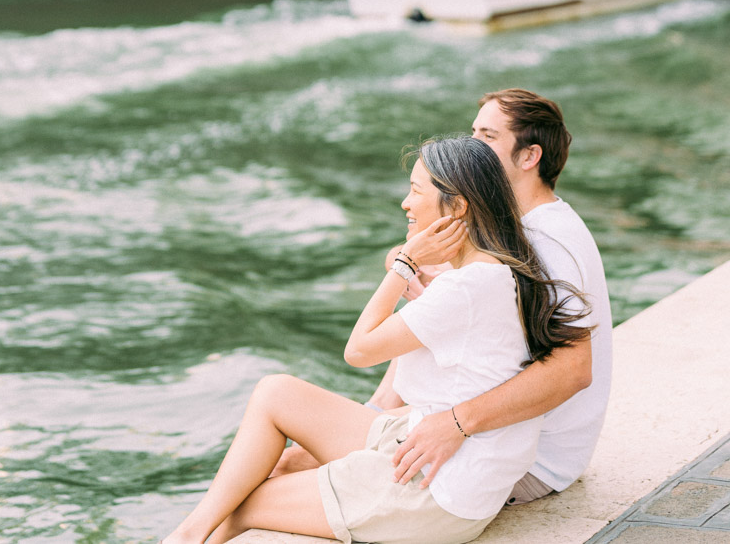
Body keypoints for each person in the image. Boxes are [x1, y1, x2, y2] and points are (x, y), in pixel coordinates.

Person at [163, 135, 590, 544]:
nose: (406, 203)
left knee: (242, 500)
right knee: (275, 393)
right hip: (433, 452)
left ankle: (184, 536)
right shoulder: (495, 272)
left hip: (435, 494)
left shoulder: (466, 287)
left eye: (415, 191)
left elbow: (358, 350)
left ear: (456, 206)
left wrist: (405, 263)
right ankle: (185, 536)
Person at [274, 88, 613, 507]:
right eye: (473, 133)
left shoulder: (546, 241)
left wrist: (455, 423)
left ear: (529, 158)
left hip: (528, 455)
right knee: (304, 451)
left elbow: (573, 370)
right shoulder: (510, 231)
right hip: (497, 426)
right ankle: (378, 406)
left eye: (487, 137)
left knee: (295, 464)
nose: (472, 146)